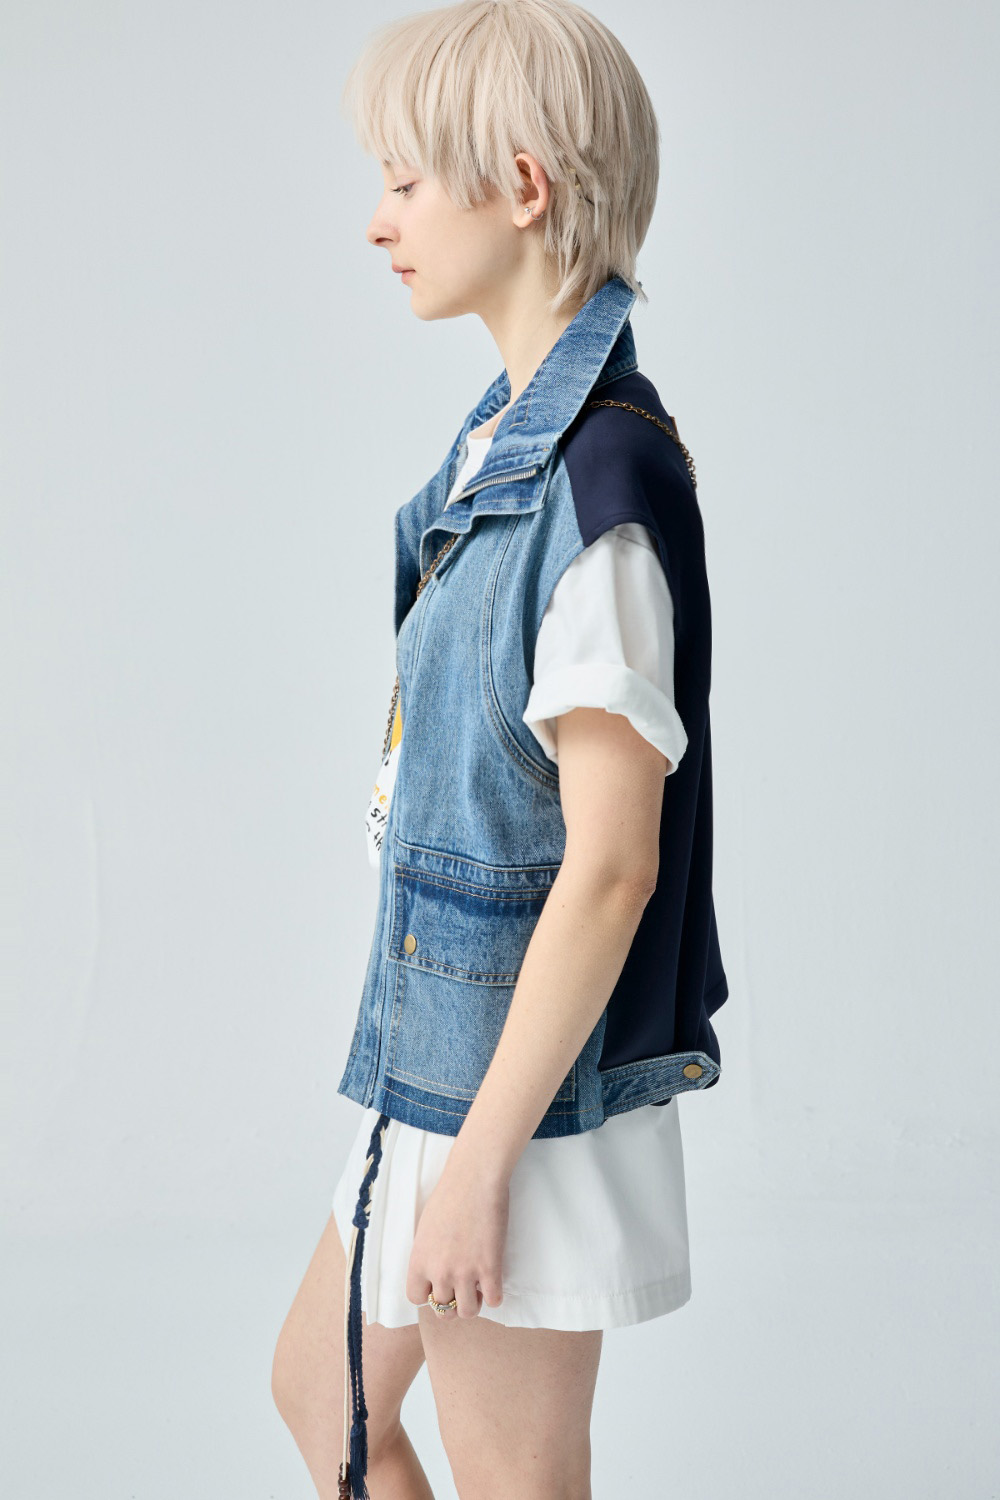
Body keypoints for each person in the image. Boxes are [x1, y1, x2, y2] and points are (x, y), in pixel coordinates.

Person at [271, 3, 729, 1496]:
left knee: (516, 1478)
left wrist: (479, 1166)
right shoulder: (501, 456)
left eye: (406, 181)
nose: (378, 221)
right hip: (434, 1057)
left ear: (522, 187)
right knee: (323, 1402)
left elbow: (611, 868)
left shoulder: (600, 489)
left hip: (512, 1106)